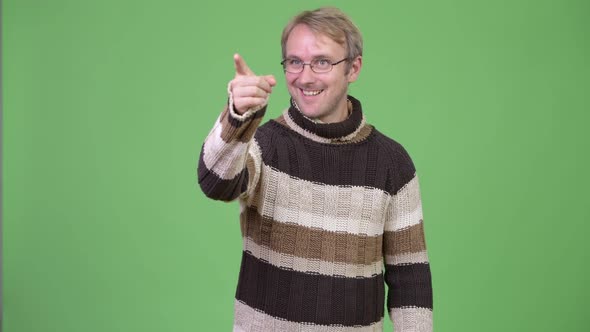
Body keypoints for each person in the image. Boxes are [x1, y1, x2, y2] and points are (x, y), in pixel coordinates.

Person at [198, 7, 433, 332]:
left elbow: (410, 279)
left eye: (322, 62)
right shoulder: (263, 145)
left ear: (354, 68)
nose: (305, 77)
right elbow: (215, 182)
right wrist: (237, 116)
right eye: (294, 62)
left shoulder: (391, 163)